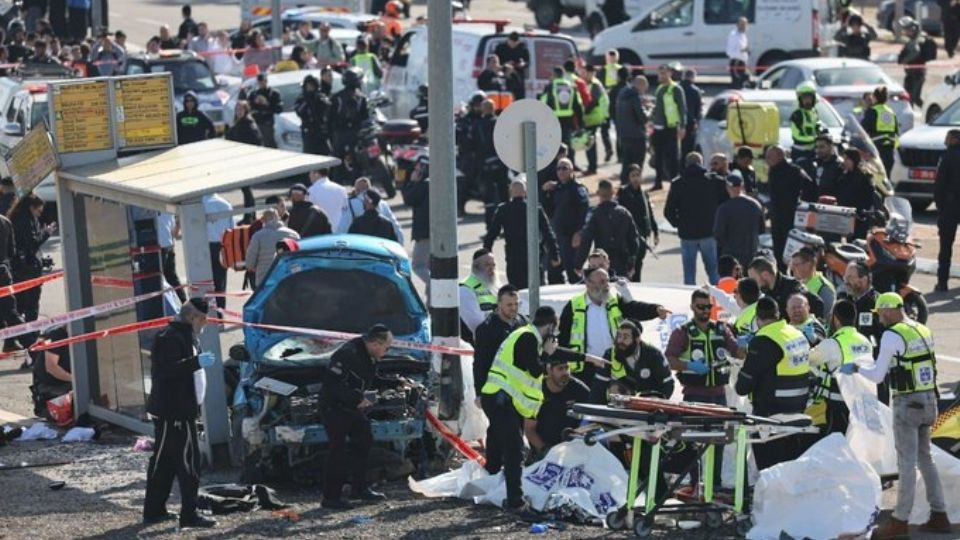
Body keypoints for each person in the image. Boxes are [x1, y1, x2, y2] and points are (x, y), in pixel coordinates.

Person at [839, 293, 952, 537]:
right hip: (929, 400)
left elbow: (878, 375)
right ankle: (940, 514)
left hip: (907, 403)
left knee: (907, 464)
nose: (879, 318)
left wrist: (857, 367)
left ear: (890, 310)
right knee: (926, 459)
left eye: (880, 313)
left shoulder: (892, 335)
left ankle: (900, 519)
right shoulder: (922, 329)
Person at [481, 306, 602, 516]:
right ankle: (516, 503)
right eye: (554, 332)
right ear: (550, 326)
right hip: (500, 399)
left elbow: (557, 354)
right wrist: (546, 354)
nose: (554, 338)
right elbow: (536, 368)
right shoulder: (527, 338)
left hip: (500, 399)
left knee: (512, 449)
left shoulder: (528, 336)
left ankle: (514, 498)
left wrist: (589, 358)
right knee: (513, 450)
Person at [143, 298, 217, 529]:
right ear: (194, 317)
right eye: (203, 319)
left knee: (164, 463)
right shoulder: (171, 338)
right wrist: (195, 362)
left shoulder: (184, 335)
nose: (204, 324)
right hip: (174, 413)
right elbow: (166, 370)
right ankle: (189, 514)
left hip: (177, 411)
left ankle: (154, 510)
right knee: (189, 464)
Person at [319, 324, 397, 509]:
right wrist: (357, 399)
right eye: (387, 347)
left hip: (350, 408)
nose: (388, 351)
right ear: (376, 344)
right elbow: (332, 384)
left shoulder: (368, 353)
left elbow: (370, 377)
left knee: (364, 441)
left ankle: (359, 488)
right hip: (334, 408)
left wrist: (394, 382)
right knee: (338, 450)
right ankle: (331, 498)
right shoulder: (348, 353)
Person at [735, 297, 811, 470]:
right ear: (778, 314)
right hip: (798, 407)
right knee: (789, 464)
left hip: (770, 412)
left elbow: (742, 386)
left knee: (769, 465)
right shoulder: (795, 333)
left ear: (757, 319)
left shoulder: (764, 340)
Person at [559, 267, 668, 386]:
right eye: (601, 282)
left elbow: (634, 308)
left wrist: (655, 310)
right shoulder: (573, 306)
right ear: (588, 283)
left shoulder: (614, 301)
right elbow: (563, 338)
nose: (606, 286)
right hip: (586, 368)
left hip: (614, 364)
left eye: (607, 281)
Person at [808, 299, 871, 436]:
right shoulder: (864, 341)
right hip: (861, 402)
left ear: (836, 319)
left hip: (838, 403)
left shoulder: (832, 343)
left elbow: (809, 359)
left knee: (836, 440)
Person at [666, 289, 739, 406]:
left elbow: (738, 353)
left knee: (720, 425)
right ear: (692, 307)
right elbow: (668, 360)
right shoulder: (682, 332)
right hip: (694, 395)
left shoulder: (721, 329)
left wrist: (745, 344)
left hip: (720, 395)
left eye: (709, 306)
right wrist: (689, 366)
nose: (705, 310)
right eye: (701, 307)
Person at [483, 179, 560, 289]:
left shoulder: (503, 209)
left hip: (513, 258)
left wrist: (486, 254)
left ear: (510, 192)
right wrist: (555, 255)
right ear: (525, 192)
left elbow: (491, 234)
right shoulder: (535, 208)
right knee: (537, 291)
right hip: (533, 256)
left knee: (517, 292)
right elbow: (548, 233)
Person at [665, 152, 725, 285]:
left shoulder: (678, 183)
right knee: (713, 271)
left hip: (687, 233)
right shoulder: (713, 181)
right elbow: (724, 203)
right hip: (709, 231)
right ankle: (719, 299)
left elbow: (668, 211)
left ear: (686, 164)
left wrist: (678, 223)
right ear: (701, 163)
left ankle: (689, 299)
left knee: (689, 273)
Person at [524, 356, 590, 461]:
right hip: (544, 448)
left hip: (573, 447)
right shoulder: (537, 391)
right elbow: (529, 429)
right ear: (549, 371)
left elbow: (594, 416)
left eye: (567, 368)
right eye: (560, 369)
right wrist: (545, 450)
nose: (565, 373)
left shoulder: (578, 388)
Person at [595, 319, 674, 402]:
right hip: (618, 405)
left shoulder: (654, 355)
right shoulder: (609, 354)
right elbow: (598, 387)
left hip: (647, 406)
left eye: (626, 337)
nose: (620, 341)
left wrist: (658, 401)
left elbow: (667, 385)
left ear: (637, 339)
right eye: (619, 336)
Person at [765, 145, 817, 270]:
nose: (766, 159)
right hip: (776, 218)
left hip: (791, 218)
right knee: (778, 253)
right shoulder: (773, 171)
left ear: (780, 156)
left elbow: (810, 188)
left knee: (792, 253)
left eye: (769, 156)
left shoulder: (793, 170)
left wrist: (801, 206)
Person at [574, 180, 638, 279]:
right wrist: (632, 264)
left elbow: (586, 240)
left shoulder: (595, 214)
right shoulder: (624, 213)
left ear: (598, 193)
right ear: (614, 192)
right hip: (622, 261)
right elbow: (633, 240)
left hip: (601, 262)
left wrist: (579, 263)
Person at [9, 193, 55, 324]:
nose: (40, 214)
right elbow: (33, 242)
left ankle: (17, 334)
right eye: (38, 211)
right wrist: (47, 232)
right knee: (32, 303)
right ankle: (30, 336)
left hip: (17, 267)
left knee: (19, 302)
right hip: (28, 268)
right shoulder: (26, 220)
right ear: (31, 207)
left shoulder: (15, 216)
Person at [473, 285, 527, 396]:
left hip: (519, 388)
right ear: (499, 304)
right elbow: (480, 364)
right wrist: (479, 393)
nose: (514, 308)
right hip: (497, 390)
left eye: (516, 304)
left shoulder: (523, 322)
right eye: (509, 305)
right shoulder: (486, 329)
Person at [542, 158, 589, 284]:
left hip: (571, 238)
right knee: (553, 273)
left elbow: (585, 212)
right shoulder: (557, 188)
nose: (561, 171)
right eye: (558, 168)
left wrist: (579, 232)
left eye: (565, 168)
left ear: (572, 170)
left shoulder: (578, 189)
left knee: (573, 274)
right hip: (558, 237)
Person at [714, 170, 764, 269]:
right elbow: (761, 229)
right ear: (742, 186)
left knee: (732, 283)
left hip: (731, 255)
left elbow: (718, 234)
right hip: (752, 253)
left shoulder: (724, 208)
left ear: (727, 187)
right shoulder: (756, 205)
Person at [616, 164, 659, 282]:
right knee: (629, 264)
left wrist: (655, 231)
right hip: (629, 235)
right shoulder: (624, 192)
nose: (635, 178)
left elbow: (649, 213)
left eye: (638, 175)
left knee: (639, 262)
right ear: (629, 177)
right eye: (633, 175)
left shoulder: (644, 194)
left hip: (643, 235)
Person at [748, 256, 824, 320]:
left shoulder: (792, 286)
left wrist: (804, 326)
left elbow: (818, 303)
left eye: (754, 279)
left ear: (765, 275)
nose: (754, 283)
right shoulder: (768, 293)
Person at [651, 64, 686, 191]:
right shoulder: (659, 89)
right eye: (660, 73)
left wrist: (682, 126)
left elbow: (682, 109)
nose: (661, 76)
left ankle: (674, 184)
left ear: (670, 73)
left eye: (664, 73)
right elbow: (657, 108)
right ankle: (658, 182)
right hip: (658, 128)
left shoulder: (676, 89)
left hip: (671, 128)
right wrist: (651, 120)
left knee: (672, 158)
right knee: (658, 157)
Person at [244, 208, 299, 288]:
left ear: (263, 220)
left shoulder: (258, 236)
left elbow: (249, 264)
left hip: (265, 281)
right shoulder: (294, 234)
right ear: (278, 218)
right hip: (288, 278)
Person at [337, 177, 403, 242]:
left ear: (357, 190)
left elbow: (343, 228)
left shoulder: (350, 204)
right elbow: (395, 226)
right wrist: (400, 244)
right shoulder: (382, 204)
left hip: (361, 246)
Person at [540, 66, 582, 166]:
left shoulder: (550, 87)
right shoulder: (572, 86)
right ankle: (570, 166)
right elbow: (579, 105)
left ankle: (556, 167)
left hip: (553, 121)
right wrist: (581, 123)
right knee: (568, 145)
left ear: (554, 75)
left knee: (554, 146)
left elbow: (543, 103)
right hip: (569, 120)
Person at [935, 129, 960, 292]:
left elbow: (940, 183)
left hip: (950, 205)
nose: (945, 140)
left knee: (945, 245)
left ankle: (942, 282)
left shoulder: (947, 157)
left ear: (954, 140)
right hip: (951, 204)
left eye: (947, 138)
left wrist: (939, 204)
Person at [834, 149, 879, 239]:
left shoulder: (863, 176)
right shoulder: (844, 174)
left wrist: (861, 212)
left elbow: (869, 196)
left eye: (847, 159)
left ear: (853, 160)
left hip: (859, 216)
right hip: (845, 213)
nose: (844, 161)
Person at [614, 75, 650, 183]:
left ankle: (624, 184)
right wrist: (648, 110)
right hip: (637, 135)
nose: (645, 90)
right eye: (645, 87)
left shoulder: (622, 94)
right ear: (641, 85)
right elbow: (642, 117)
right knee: (637, 163)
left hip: (624, 134)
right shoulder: (635, 97)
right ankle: (635, 185)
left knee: (626, 162)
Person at [29, 326, 70, 418]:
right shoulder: (56, 335)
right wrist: (76, 380)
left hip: (68, 383)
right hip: (52, 385)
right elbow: (52, 367)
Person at [402, 158, 430, 291]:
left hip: (425, 233)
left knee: (418, 266)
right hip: (433, 232)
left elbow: (408, 198)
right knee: (430, 267)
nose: (415, 172)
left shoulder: (424, 185)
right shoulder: (433, 183)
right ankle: (432, 302)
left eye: (418, 170)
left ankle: (436, 287)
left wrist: (411, 182)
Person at [329, 67, 370, 160]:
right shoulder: (361, 97)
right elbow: (365, 117)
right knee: (357, 162)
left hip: (340, 135)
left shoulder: (336, 97)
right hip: (354, 134)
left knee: (338, 162)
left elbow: (330, 119)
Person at [459, 249, 498, 345]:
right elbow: (475, 324)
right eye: (487, 265)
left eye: (493, 265)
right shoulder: (465, 288)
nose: (491, 268)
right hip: (477, 343)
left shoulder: (494, 285)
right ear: (476, 267)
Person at [201, 194, 232, 310]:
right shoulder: (226, 203)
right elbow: (231, 227)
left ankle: (208, 313)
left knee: (204, 282)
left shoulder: (201, 204)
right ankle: (221, 314)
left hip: (206, 245)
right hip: (223, 244)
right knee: (221, 282)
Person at [861, 86, 899, 177]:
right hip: (890, 152)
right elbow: (896, 132)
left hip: (876, 151)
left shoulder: (872, 111)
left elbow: (862, 129)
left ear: (874, 97)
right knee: (886, 179)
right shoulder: (891, 112)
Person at [898, 16, 935, 108]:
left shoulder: (918, 39)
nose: (905, 31)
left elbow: (915, 52)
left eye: (906, 29)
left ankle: (931, 115)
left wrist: (904, 60)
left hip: (918, 74)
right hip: (910, 73)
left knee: (915, 98)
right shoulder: (911, 40)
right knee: (908, 97)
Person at [790, 247, 836, 319]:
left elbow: (824, 315)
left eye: (796, 265)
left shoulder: (824, 287)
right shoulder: (796, 283)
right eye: (792, 265)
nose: (792, 268)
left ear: (809, 264)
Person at [581, 65, 609, 175]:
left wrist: (583, 112)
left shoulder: (595, 85)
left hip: (593, 117)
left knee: (590, 143)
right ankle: (592, 166)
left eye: (586, 73)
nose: (583, 75)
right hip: (590, 117)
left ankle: (592, 167)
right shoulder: (587, 84)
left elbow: (593, 102)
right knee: (589, 143)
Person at [295, 75, 332, 156]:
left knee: (325, 153)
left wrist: (320, 100)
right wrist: (308, 101)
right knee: (309, 154)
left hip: (320, 130)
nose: (310, 88)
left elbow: (329, 107)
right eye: (308, 86)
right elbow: (299, 111)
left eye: (312, 85)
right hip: (308, 130)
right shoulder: (301, 99)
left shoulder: (320, 97)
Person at [242, 74, 282, 148]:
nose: (261, 84)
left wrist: (267, 104)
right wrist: (255, 104)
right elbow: (248, 108)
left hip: (268, 122)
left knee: (269, 143)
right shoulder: (253, 94)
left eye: (263, 81)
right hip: (256, 122)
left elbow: (279, 109)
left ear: (266, 81)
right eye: (259, 82)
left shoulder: (273, 93)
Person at [598, 50, 623, 163]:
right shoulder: (603, 70)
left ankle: (616, 153)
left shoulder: (618, 69)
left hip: (614, 103)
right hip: (609, 103)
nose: (611, 60)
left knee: (615, 130)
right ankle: (611, 151)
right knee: (607, 129)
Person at [156, 212, 186, 303]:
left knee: (157, 278)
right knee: (172, 277)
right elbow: (174, 233)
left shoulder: (151, 210)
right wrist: (178, 224)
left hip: (160, 247)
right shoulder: (168, 212)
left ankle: (163, 304)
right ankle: (183, 301)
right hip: (169, 245)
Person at [790, 82, 822, 164]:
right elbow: (796, 135)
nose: (807, 101)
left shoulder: (814, 112)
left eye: (809, 98)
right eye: (805, 98)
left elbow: (817, 126)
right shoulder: (797, 114)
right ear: (800, 99)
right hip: (800, 151)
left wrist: (822, 132)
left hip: (814, 150)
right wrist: (814, 139)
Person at [680, 69, 703, 160]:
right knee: (688, 148)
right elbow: (698, 109)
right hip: (690, 123)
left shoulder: (677, 88)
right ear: (693, 77)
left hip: (676, 122)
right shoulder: (695, 90)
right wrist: (697, 121)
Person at [726, 17, 750, 89]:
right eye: (742, 24)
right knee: (737, 84)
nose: (744, 26)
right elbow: (730, 51)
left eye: (745, 24)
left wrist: (746, 50)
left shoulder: (743, 35)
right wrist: (742, 50)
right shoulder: (734, 35)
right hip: (736, 63)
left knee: (744, 81)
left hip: (742, 63)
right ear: (737, 25)